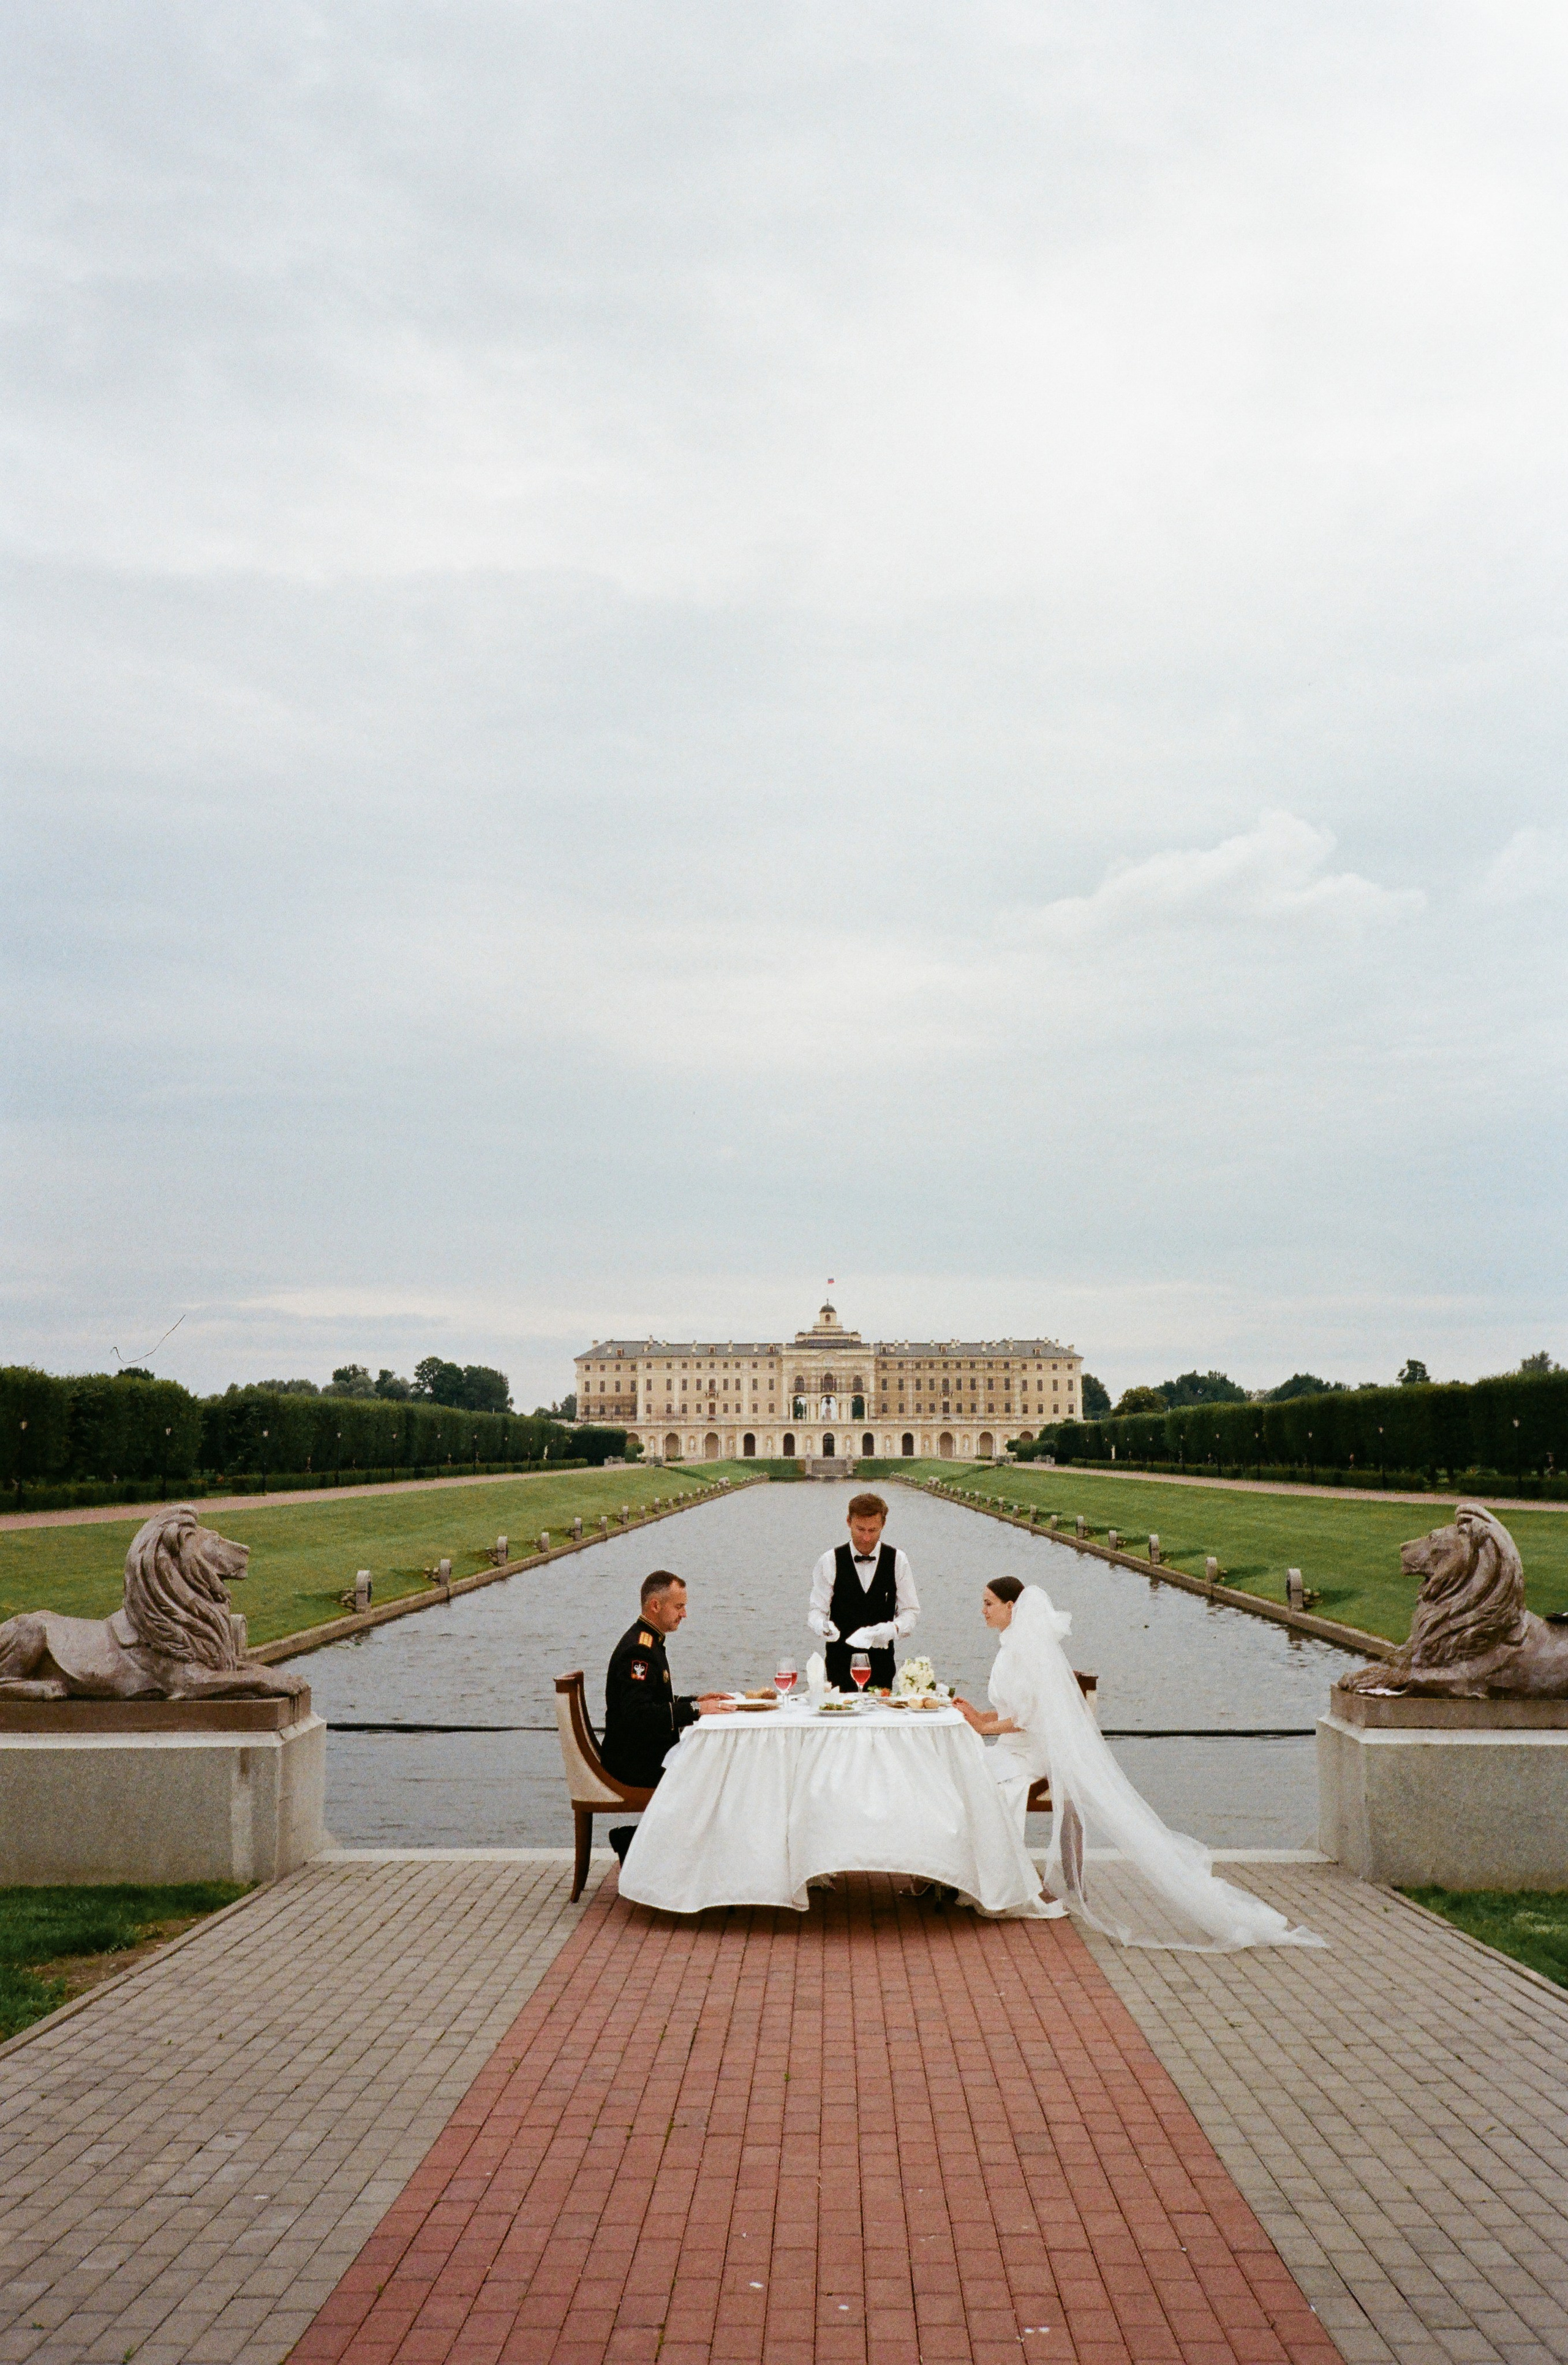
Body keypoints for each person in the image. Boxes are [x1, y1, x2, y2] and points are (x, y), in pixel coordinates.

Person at [954, 1578, 1325, 1952]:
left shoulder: (1025, 1652)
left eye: (988, 1603)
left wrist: (983, 1726)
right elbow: (1012, 1710)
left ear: (1011, 1608)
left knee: (976, 1781)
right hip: (1013, 1746)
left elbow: (1028, 1718)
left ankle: (994, 1881)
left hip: (1030, 1753)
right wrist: (977, 1715)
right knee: (960, 1774)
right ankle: (974, 1876)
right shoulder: (1014, 1648)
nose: (982, 1611)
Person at [602, 1570, 733, 1861]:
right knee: (710, 1779)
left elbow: (654, 1700)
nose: (685, 1614)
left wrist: (696, 1701)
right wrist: (697, 1712)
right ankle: (633, 1840)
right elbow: (639, 1715)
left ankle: (688, 1855)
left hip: (644, 1752)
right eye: (679, 1607)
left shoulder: (650, 1641)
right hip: (633, 1761)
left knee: (715, 1772)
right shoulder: (639, 1651)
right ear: (655, 1606)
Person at [807, 1490, 920, 1692]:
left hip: (882, 1668)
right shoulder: (829, 1561)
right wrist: (823, 1626)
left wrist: (893, 1629)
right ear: (848, 1522)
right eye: (860, 1529)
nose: (867, 1538)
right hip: (839, 1666)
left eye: (873, 1530)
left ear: (883, 1525)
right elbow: (816, 1612)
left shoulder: (898, 1560)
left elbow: (910, 1612)